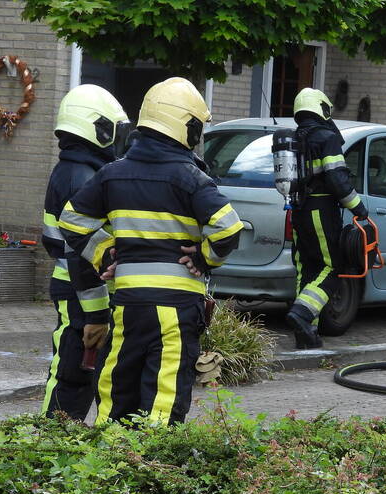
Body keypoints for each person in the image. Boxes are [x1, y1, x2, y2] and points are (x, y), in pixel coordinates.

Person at [57, 77, 242, 425]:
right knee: (163, 396)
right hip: (175, 309)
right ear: (187, 127)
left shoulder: (111, 174)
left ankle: (109, 467)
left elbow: (72, 220)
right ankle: (151, 468)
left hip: (129, 304)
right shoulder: (191, 178)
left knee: (116, 391)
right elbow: (228, 228)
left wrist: (106, 254)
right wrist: (204, 258)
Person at [40, 84, 131, 420]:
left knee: (80, 375)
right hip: (81, 291)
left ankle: (63, 444)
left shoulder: (74, 171)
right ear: (98, 128)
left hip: (79, 288)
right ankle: (50, 445)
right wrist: (95, 315)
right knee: (70, 375)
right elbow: (79, 251)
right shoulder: (83, 178)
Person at [285, 88, 369, 349]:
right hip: (321, 209)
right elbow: (336, 178)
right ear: (321, 108)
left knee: (306, 268)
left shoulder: (294, 138)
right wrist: (358, 208)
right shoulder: (326, 138)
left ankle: (306, 334)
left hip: (297, 209)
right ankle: (302, 314)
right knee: (332, 267)